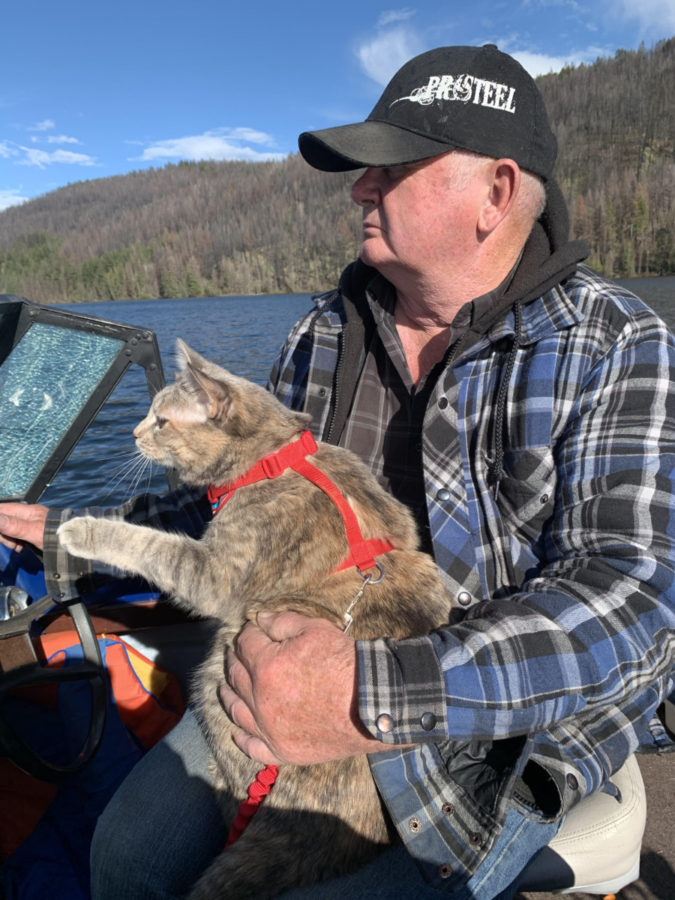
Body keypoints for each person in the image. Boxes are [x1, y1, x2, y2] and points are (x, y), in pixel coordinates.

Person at [1, 43, 674, 899]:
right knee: (126, 858)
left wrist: (369, 690)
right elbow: (233, 508)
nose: (359, 188)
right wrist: (69, 532)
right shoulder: (323, 333)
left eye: (389, 168)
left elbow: (631, 595)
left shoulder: (618, 346)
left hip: (487, 734)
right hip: (280, 670)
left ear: (495, 193)